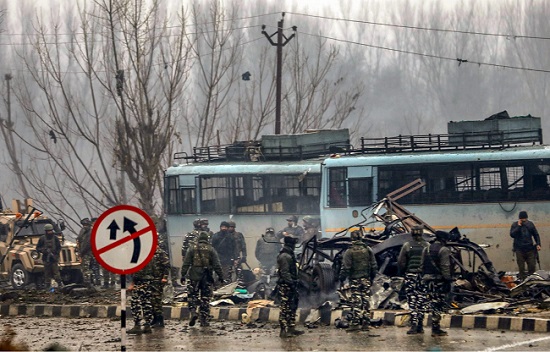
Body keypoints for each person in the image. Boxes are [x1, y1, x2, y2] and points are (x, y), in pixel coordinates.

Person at [181, 231, 224, 327]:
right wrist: (221, 276)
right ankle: (204, 319)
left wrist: (183, 275)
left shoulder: (192, 248)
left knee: (192, 295)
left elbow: (186, 263)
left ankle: (193, 312)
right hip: (206, 276)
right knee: (205, 298)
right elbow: (217, 264)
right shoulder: (211, 249)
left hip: (193, 276)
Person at [339, 230, 378, 332]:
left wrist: (342, 279)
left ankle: (355, 324)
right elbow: (374, 265)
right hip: (366, 279)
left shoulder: (349, 251)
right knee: (366, 301)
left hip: (355, 280)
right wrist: (372, 278)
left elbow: (346, 268)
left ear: (352, 239)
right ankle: (366, 323)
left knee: (356, 302)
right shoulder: (367, 249)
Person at [420, 230, 452, 337]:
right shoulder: (444, 250)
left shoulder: (426, 248)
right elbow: (445, 267)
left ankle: (418, 325)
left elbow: (422, 265)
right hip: (438, 281)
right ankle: (435, 328)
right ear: (443, 240)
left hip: (426, 280)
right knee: (437, 305)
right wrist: (448, 280)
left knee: (424, 304)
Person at [397, 225, 429, 334]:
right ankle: (420, 325)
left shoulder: (407, 246)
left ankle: (414, 325)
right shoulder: (427, 245)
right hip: (423, 277)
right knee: (421, 300)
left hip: (411, 276)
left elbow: (401, 262)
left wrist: (404, 273)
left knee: (412, 300)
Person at [276, 235, 304, 338]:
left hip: (291, 284)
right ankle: (284, 330)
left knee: (292, 306)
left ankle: (291, 328)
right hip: (286, 285)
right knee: (285, 307)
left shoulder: (289, 254)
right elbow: (285, 272)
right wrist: (291, 283)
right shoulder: (285, 256)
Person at [128, 247, 158, 334]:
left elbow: (136, 272)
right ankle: (147, 325)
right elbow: (155, 270)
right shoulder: (150, 255)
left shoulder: (138, 256)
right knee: (146, 303)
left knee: (135, 303)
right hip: (149, 282)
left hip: (140, 282)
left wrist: (133, 283)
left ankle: (137, 325)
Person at [510, 210, 542, 281]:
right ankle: (523, 282)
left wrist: (538, 244)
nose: (524, 221)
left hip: (530, 249)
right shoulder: (515, 225)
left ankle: (532, 282)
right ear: (520, 219)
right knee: (521, 268)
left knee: (532, 267)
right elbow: (512, 234)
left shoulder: (530, 224)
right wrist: (518, 226)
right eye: (522, 219)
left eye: (525, 219)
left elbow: (536, 234)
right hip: (519, 249)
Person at [151, 243, 171, 328]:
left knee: (157, 300)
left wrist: (164, 277)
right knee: (151, 300)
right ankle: (154, 318)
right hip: (151, 279)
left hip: (158, 281)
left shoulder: (161, 253)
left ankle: (160, 320)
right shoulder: (149, 253)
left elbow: (167, 266)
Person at [76, 218, 100, 286]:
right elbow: (79, 242)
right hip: (87, 253)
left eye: (86, 225)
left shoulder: (90, 232)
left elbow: (87, 244)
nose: (85, 226)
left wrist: (82, 253)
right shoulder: (83, 232)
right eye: (84, 225)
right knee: (88, 268)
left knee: (89, 268)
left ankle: (90, 282)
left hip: (89, 253)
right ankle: (90, 282)